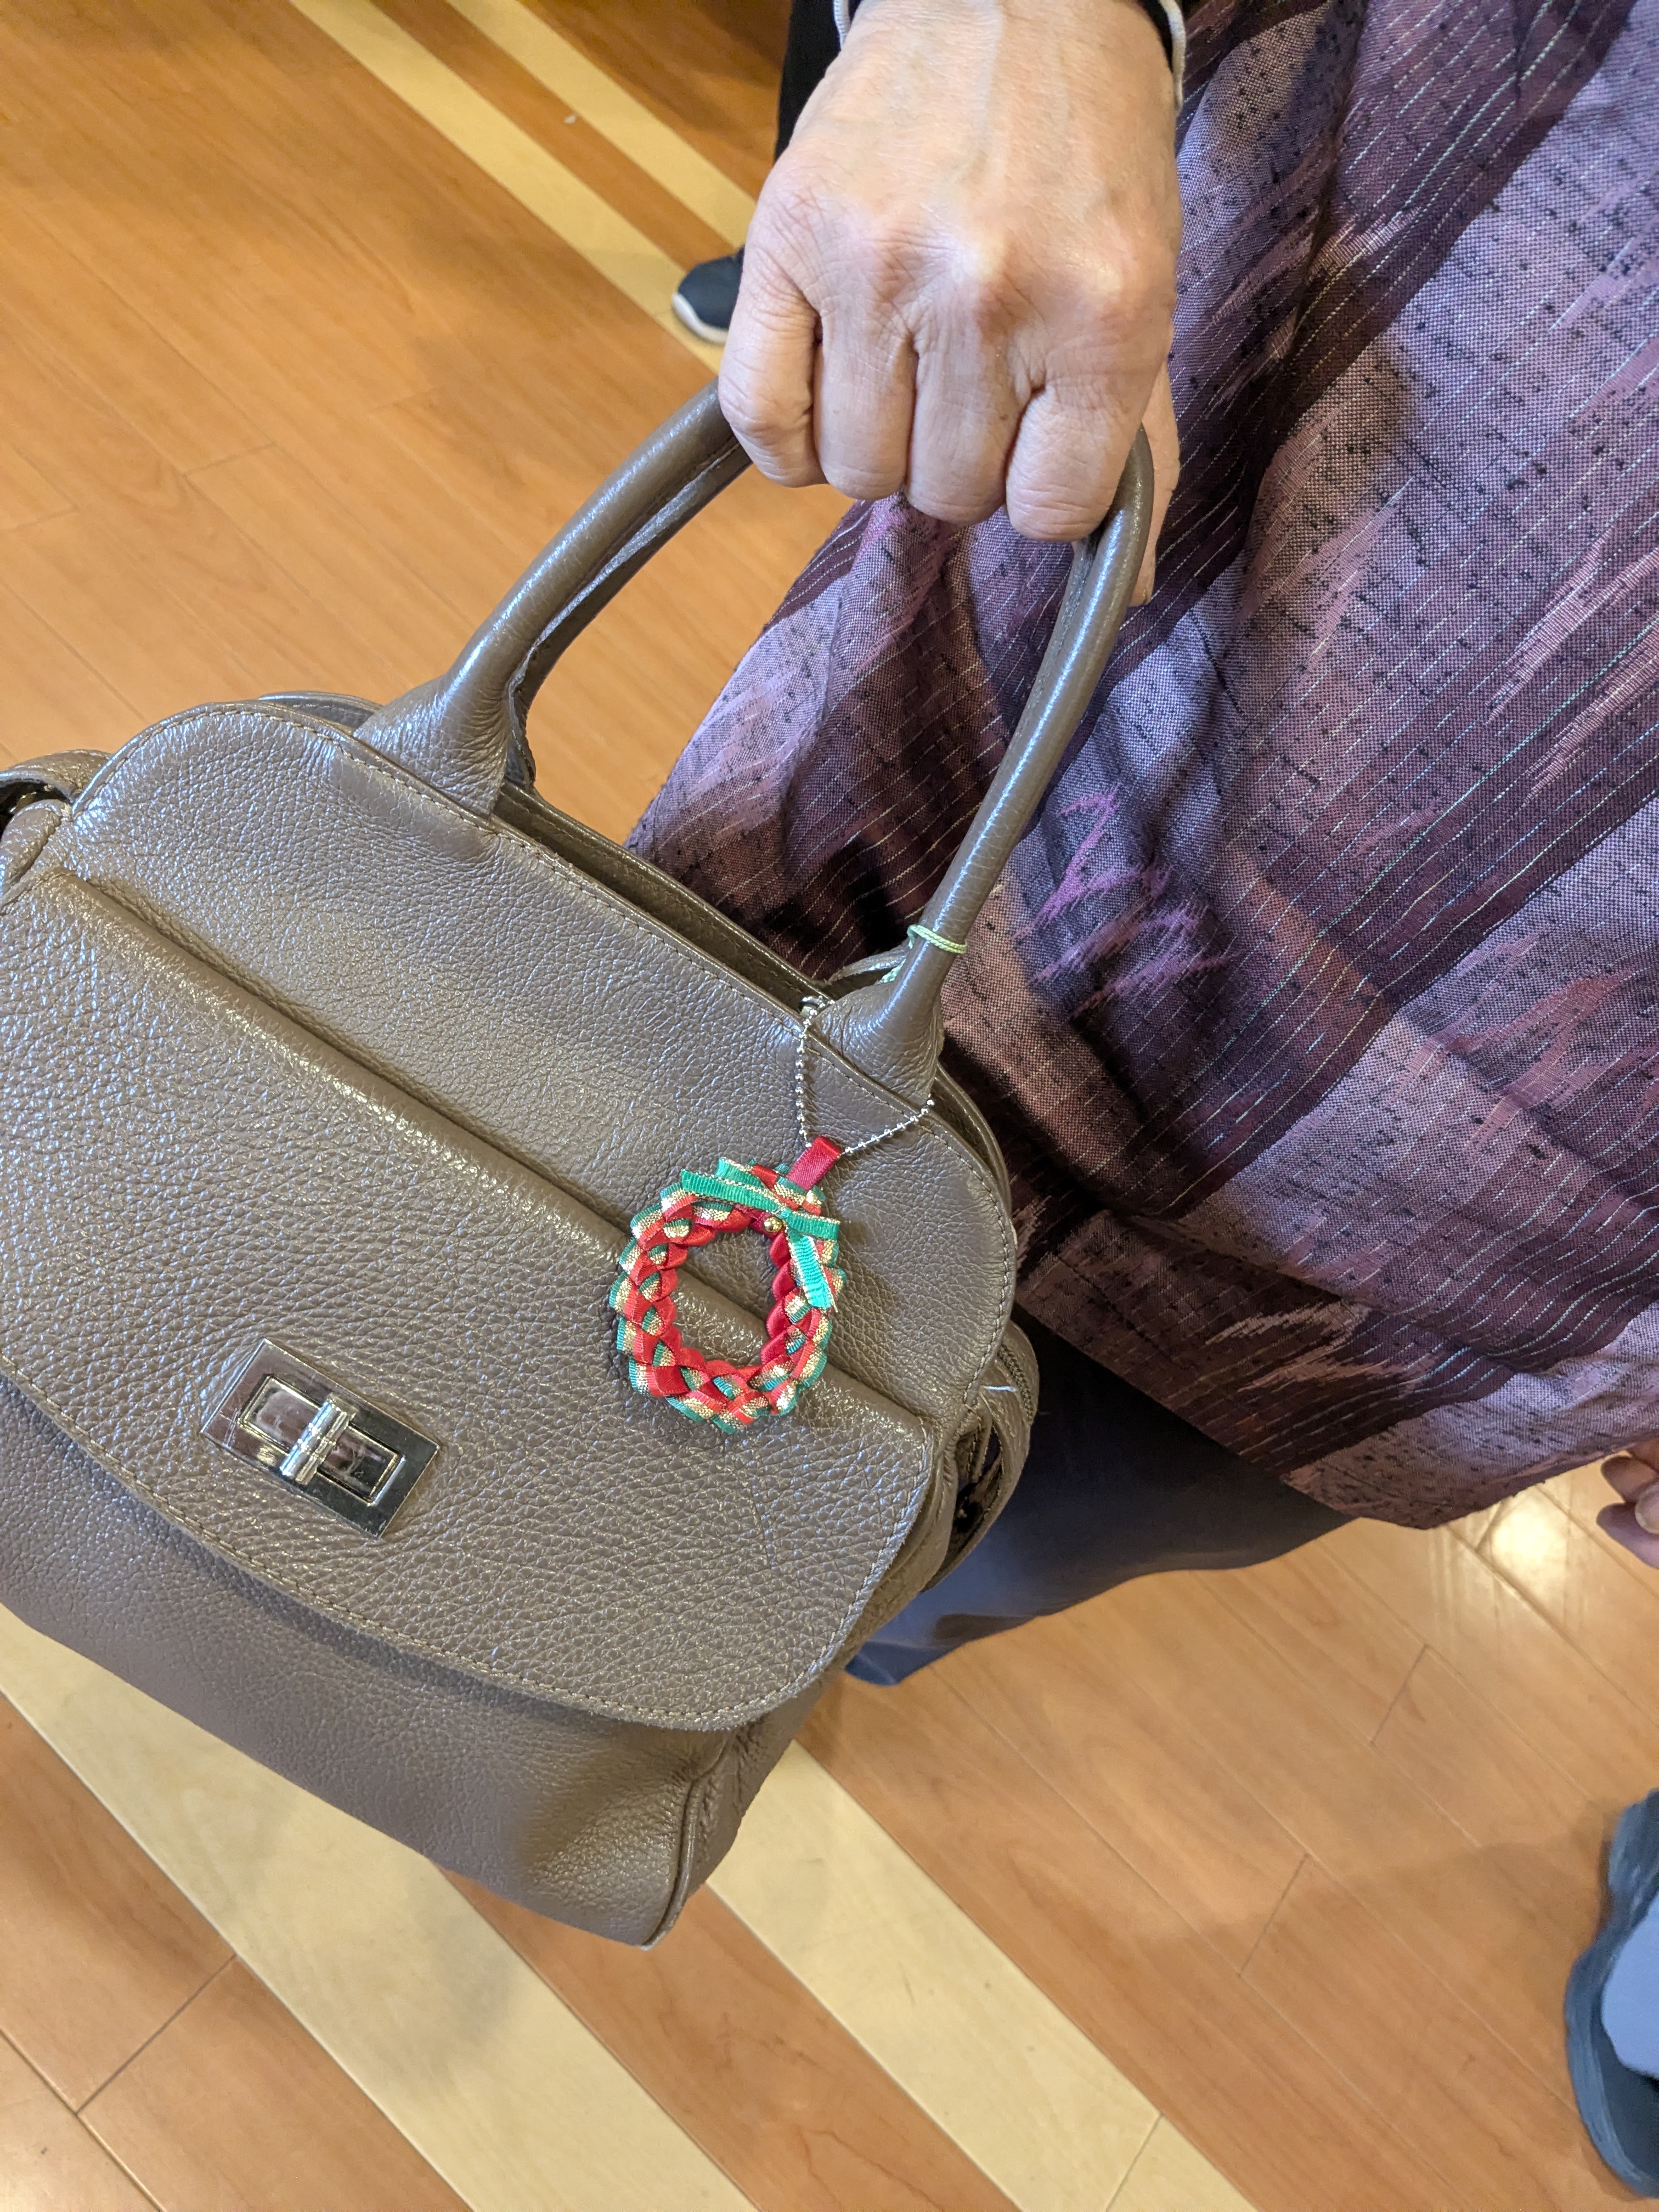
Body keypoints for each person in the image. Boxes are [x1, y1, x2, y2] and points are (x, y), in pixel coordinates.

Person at [635, 0, 1654, 2171]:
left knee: (963, 1531)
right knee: (585, 1207)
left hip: (1473, 1246)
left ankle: (718, 1636)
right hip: (1113, 578)